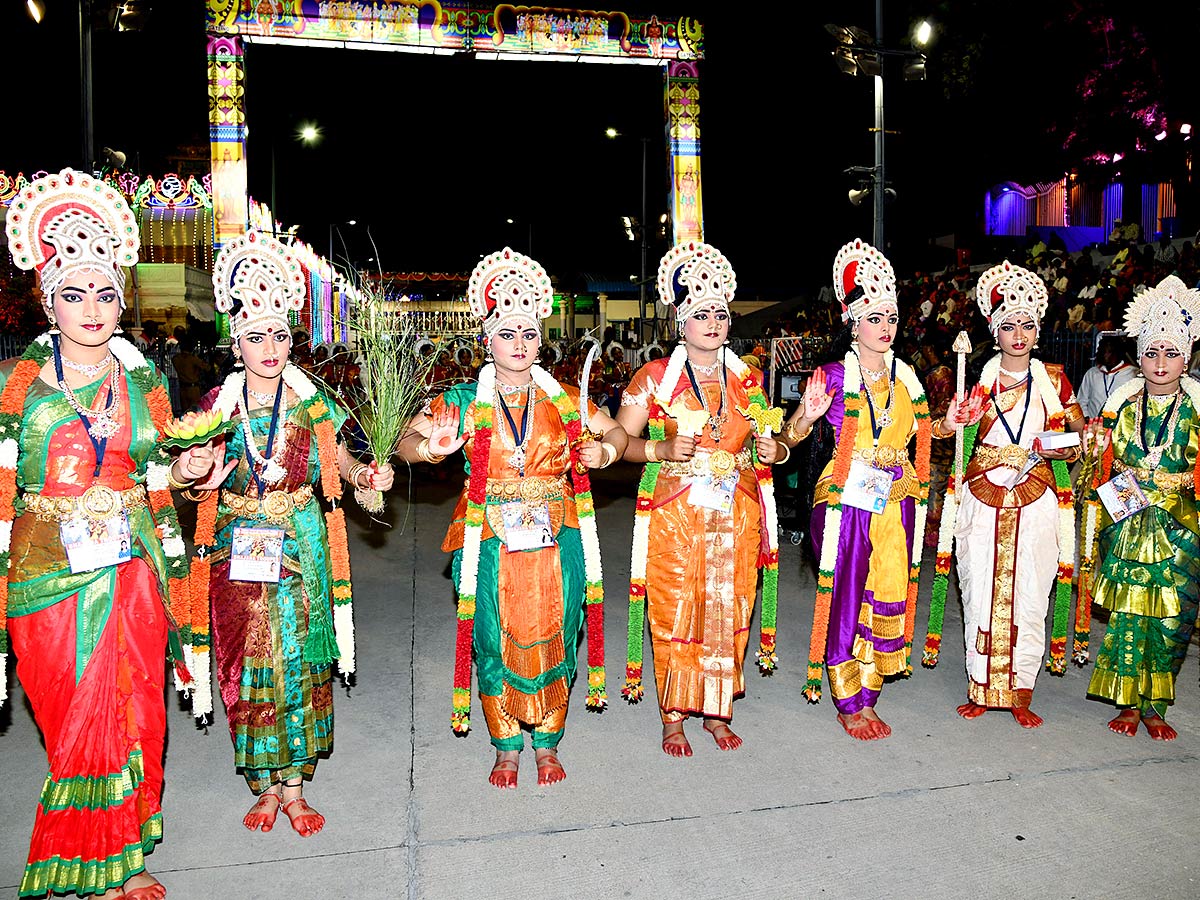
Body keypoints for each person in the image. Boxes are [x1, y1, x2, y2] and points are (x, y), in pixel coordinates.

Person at [0, 168, 216, 899]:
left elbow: (163, 474)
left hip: (130, 566)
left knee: (135, 705)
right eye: (73, 292)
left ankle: (123, 860)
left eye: (103, 293)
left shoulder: (146, 384)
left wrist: (190, 467)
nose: (90, 308)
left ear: (122, 303)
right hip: (44, 572)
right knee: (68, 713)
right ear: (47, 298)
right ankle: (88, 854)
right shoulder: (16, 386)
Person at [397, 246, 625, 788]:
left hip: (556, 534)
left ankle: (547, 741)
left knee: (556, 631)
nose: (519, 345)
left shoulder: (564, 399)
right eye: (507, 334)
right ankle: (505, 746)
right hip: (490, 537)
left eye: (528, 334)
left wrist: (607, 452)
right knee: (493, 638)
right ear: (487, 339)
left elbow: (614, 429)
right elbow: (405, 442)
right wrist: (432, 450)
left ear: (540, 340)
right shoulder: (462, 398)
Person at [194, 229, 394, 837]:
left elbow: (339, 461)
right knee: (246, 660)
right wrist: (192, 475)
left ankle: (296, 785)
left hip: (302, 543)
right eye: (257, 336)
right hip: (238, 548)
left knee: (303, 662)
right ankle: (263, 781)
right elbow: (189, 471)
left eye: (280, 334)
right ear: (237, 343)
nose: (271, 347)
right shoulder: (216, 401)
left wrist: (367, 475)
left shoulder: (314, 403)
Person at [617, 240, 782, 756]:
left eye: (721, 313)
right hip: (675, 516)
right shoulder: (652, 378)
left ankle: (715, 708)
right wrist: (661, 447)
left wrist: (776, 449)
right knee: (673, 609)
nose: (713, 322)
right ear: (679, 322)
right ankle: (672, 715)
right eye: (701, 314)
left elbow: (768, 442)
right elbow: (620, 443)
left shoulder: (748, 379)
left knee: (731, 608)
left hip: (736, 513)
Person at [779, 238, 932, 741]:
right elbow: (792, 437)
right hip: (846, 499)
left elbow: (920, 434)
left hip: (895, 501)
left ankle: (869, 691)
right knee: (847, 594)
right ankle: (847, 698)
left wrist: (952, 423)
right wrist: (808, 413)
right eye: (875, 318)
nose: (886, 328)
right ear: (851, 319)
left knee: (883, 593)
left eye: (891, 317)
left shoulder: (909, 378)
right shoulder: (831, 375)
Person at [929, 260, 1085, 728]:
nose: (1019, 334)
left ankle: (1020, 690)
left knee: (1031, 589)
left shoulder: (1055, 381)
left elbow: (1078, 437)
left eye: (1028, 325)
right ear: (995, 333)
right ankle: (981, 686)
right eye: (1009, 326)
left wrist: (1073, 443)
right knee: (978, 584)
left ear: (1039, 332)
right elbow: (951, 434)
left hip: (1037, 494)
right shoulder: (976, 381)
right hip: (983, 493)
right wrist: (954, 418)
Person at [1080, 275, 1200, 740]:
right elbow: (1101, 463)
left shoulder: (1196, 406)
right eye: (1152, 353)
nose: (1161, 363)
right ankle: (1128, 703)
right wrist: (1091, 448)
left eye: (1171, 353)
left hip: (1179, 527)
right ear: (1139, 357)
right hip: (1129, 519)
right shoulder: (1123, 402)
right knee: (1128, 615)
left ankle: (1156, 707)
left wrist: (1173, 485)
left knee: (1171, 619)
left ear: (1186, 357)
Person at [1077, 333, 1136, 418]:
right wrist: (1086, 417)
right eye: (1102, 351)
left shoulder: (1132, 373)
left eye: (1109, 352)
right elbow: (1082, 400)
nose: (1105, 355)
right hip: (1094, 425)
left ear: (1118, 352)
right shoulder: (1092, 373)